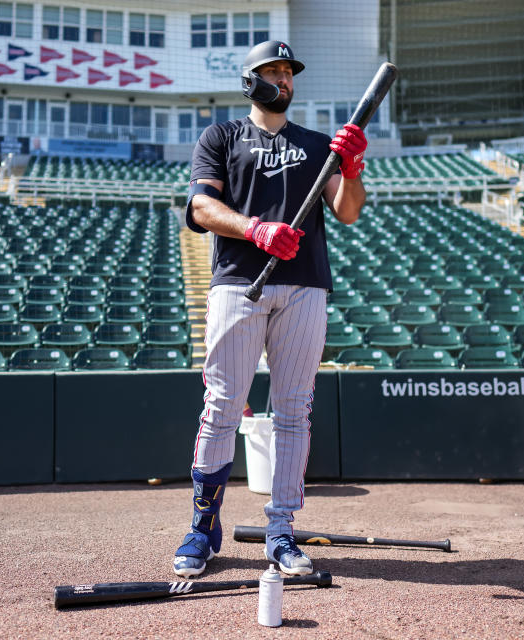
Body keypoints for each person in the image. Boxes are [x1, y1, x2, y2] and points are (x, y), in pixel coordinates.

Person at [173, 40, 368, 578]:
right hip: (238, 282)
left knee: (293, 410)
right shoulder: (221, 136)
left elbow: (347, 211)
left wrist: (351, 168)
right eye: (272, 70)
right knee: (223, 405)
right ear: (251, 79)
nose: (283, 79)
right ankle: (203, 525)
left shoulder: (314, 145)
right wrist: (255, 229)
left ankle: (280, 529)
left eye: (288, 72)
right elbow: (200, 206)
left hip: (305, 285)